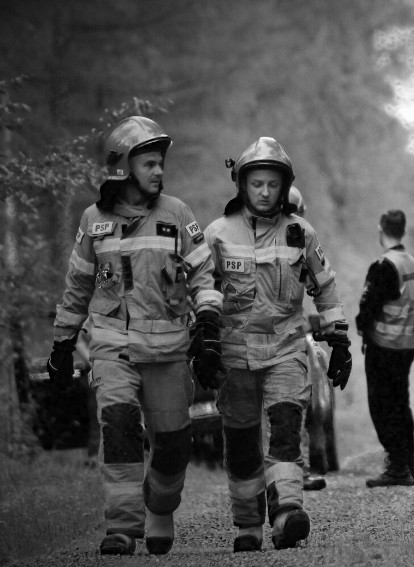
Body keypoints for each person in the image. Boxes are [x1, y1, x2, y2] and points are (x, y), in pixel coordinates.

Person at [46, 116, 223, 556]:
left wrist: (209, 323)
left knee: (174, 443)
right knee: (120, 428)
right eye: (149, 163)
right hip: (113, 348)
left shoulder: (178, 214)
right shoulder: (94, 220)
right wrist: (63, 343)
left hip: (167, 350)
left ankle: (159, 507)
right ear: (123, 167)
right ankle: (121, 527)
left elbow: (204, 272)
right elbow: (78, 286)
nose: (159, 171)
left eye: (160, 163)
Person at [204, 137, 351, 552]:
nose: (265, 192)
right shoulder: (217, 233)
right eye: (257, 184)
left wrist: (339, 339)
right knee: (242, 442)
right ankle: (248, 525)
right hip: (235, 355)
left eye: (272, 184)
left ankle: (287, 513)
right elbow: (200, 291)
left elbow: (325, 288)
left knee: (286, 430)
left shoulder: (300, 233)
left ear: (284, 187)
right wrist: (203, 341)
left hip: (286, 350)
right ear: (242, 186)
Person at [356, 210, 414, 488]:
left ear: (380, 228)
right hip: (406, 347)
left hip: (383, 347)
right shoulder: (411, 262)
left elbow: (369, 306)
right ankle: (408, 463)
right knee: (400, 404)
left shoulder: (384, 265)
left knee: (383, 406)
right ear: (403, 230)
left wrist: (361, 327)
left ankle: (397, 467)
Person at [289, 185, 329, 492]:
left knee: (293, 409)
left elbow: (324, 286)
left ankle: (293, 477)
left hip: (291, 340)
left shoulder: (303, 244)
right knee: (294, 409)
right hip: (283, 341)